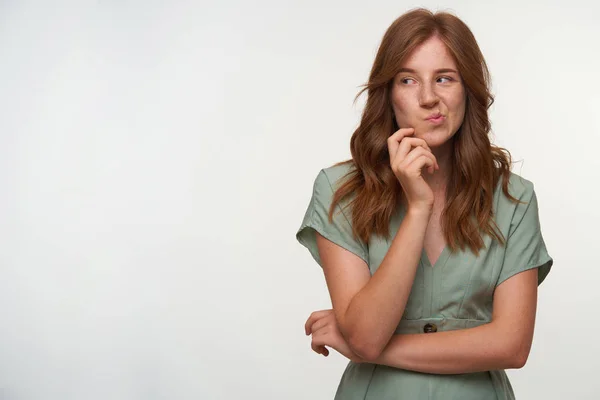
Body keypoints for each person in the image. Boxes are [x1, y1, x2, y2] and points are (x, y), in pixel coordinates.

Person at [295, 7, 553, 400]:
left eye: (444, 78)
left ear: (467, 90)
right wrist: (418, 207)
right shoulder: (340, 190)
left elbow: (512, 346)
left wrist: (372, 350)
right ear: (389, 94)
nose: (429, 97)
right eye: (408, 79)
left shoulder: (513, 198)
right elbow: (366, 334)